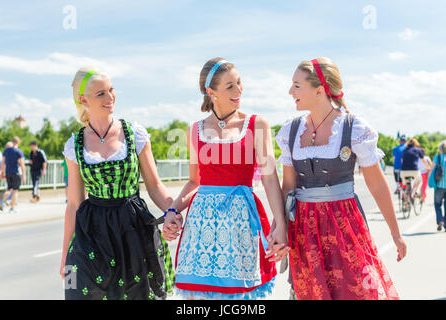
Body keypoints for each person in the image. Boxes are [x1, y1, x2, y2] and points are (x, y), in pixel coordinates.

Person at [276, 57, 406, 300]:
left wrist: (395, 233)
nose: (290, 91)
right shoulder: (290, 131)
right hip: (304, 228)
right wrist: (280, 229)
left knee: (355, 290)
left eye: (296, 85)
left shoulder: (354, 128)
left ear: (319, 90)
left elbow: (376, 184)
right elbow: (288, 188)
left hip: (344, 224)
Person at [162, 58, 289, 300]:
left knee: (239, 297)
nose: (239, 89)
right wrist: (172, 211)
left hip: (241, 223)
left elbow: (270, 178)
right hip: (201, 228)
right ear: (211, 92)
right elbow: (194, 182)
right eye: (230, 85)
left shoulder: (256, 124)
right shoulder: (194, 130)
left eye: (239, 83)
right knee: (196, 299)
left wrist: (280, 225)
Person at [60, 67, 175, 300]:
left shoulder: (134, 134)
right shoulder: (75, 145)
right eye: (101, 93)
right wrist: (65, 255)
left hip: (134, 229)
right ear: (83, 100)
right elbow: (74, 204)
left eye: (111, 90)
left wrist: (171, 210)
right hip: (92, 233)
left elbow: (154, 186)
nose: (110, 97)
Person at [0, 137, 26, 213]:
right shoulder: (19, 152)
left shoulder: (6, 151)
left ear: (12, 141)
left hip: (8, 172)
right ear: (18, 143)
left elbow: (3, 162)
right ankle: (12, 208)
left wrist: (2, 171)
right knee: (15, 191)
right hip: (16, 172)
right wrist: (24, 175)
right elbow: (22, 164)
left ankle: (2, 202)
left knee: (9, 189)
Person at [431, 140, 446, 231]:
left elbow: (431, 169)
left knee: (437, 204)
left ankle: (440, 221)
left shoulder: (438, 157)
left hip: (439, 185)